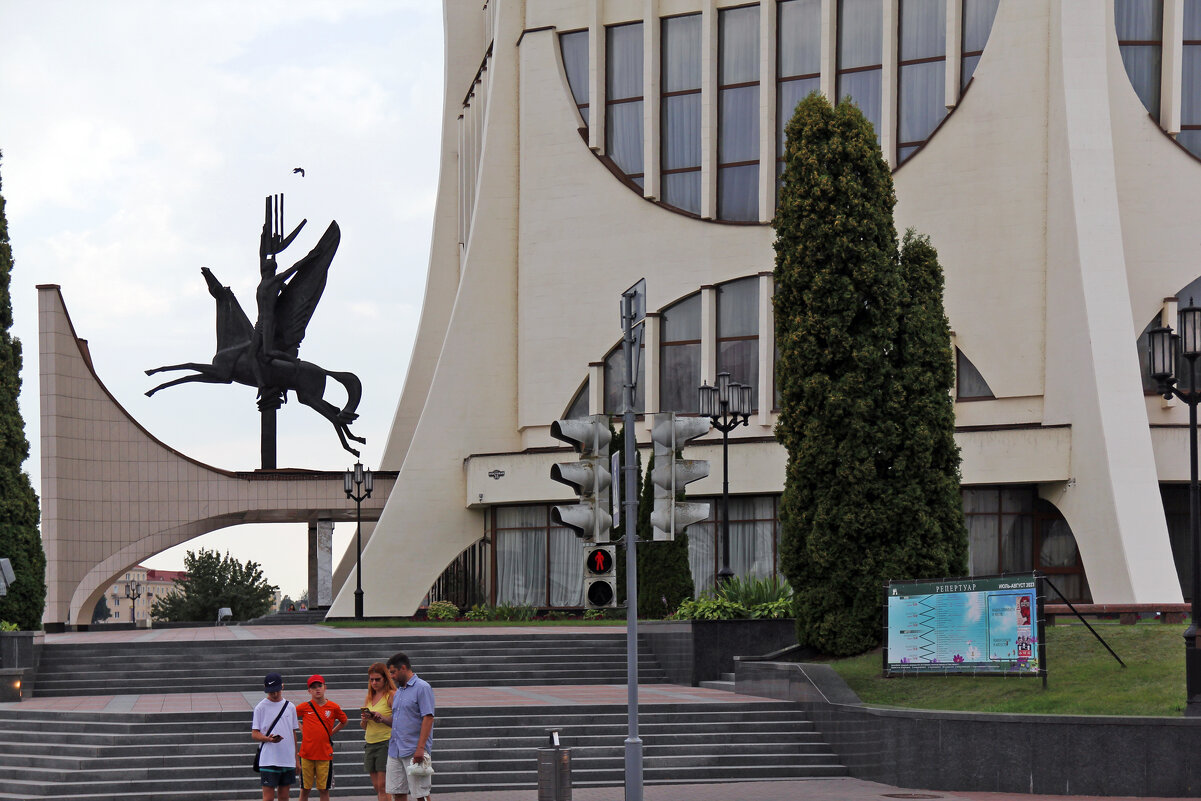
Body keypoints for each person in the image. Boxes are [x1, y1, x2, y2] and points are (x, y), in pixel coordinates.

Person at [380, 652, 435, 801]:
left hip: (413, 749)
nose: (391, 676)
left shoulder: (422, 687)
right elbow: (399, 721)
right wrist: (382, 719)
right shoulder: (399, 692)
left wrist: (420, 748)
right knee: (397, 792)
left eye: (393, 672)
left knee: (421, 794)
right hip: (395, 749)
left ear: (403, 668)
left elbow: (428, 718)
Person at [297, 674, 348, 801]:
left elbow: (344, 720)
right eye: (313, 687)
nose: (317, 689)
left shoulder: (333, 707)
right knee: (305, 789)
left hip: (324, 754)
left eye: (319, 686)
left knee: (324, 789)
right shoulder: (304, 707)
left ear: (325, 687)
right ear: (309, 691)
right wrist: (302, 729)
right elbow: (290, 716)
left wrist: (331, 732)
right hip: (306, 754)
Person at [252, 672, 300, 801]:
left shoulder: (290, 707)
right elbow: (254, 733)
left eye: (276, 691)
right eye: (270, 691)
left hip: (287, 758)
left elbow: (293, 733)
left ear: (282, 687)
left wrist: (296, 759)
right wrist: (268, 739)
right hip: (269, 758)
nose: (274, 694)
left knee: (284, 797)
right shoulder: (260, 708)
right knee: (268, 798)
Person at [359, 662, 397, 801]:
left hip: (385, 743)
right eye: (371, 679)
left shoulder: (391, 695)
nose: (374, 682)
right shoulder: (369, 696)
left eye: (377, 679)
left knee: (383, 786)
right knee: (377, 786)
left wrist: (381, 718)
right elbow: (364, 726)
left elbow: (399, 720)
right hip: (370, 743)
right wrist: (365, 719)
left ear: (385, 679)